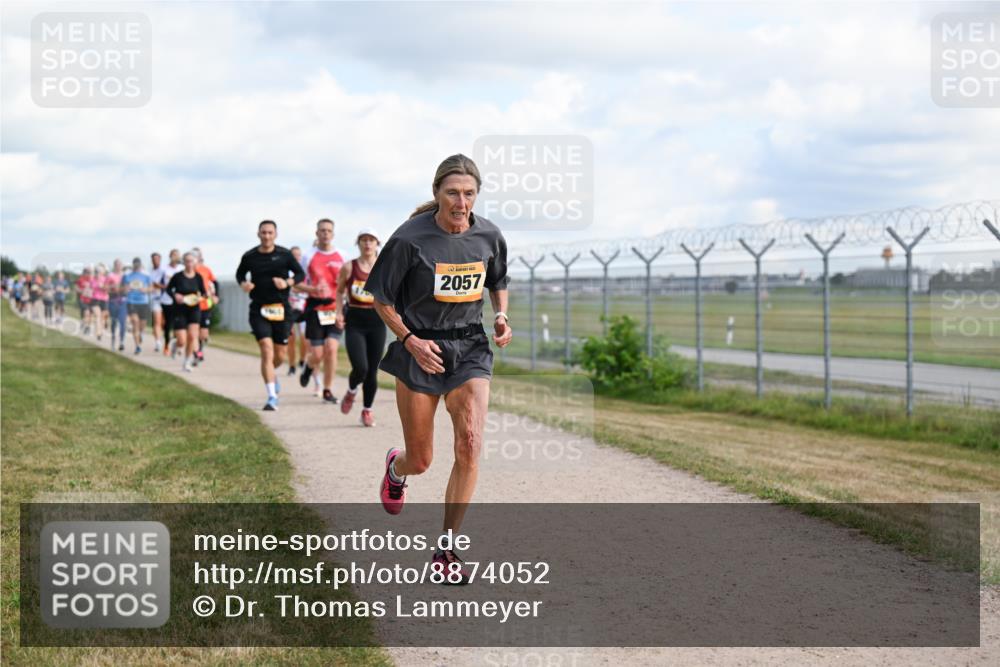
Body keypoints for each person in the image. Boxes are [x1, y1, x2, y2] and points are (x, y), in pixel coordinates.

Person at [364, 154, 512, 583]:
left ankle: (447, 548)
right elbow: (382, 300)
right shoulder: (410, 238)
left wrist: (500, 316)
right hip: (420, 347)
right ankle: (397, 468)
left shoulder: (489, 235)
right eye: (452, 193)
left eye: (468, 193)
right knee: (423, 458)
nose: (461, 201)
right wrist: (410, 340)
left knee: (470, 443)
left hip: (469, 346)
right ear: (436, 194)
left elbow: (497, 281)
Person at [235, 220, 305, 411]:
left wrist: (288, 282)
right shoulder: (250, 256)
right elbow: (240, 274)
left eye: (270, 233)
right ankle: (272, 396)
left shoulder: (284, 254)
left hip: (281, 309)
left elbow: (300, 274)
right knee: (266, 350)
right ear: (258, 234)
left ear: (275, 234)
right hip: (259, 309)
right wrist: (244, 284)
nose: (266, 236)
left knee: (279, 356)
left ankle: (271, 377)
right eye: (263, 232)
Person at [337, 227, 385, 426]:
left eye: (371, 240)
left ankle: (367, 410)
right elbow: (339, 292)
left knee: (372, 370)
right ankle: (351, 390)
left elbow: (392, 292)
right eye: (363, 240)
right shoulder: (349, 267)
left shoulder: (384, 267)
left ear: (377, 244)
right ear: (358, 243)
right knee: (360, 367)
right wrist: (339, 313)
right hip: (355, 320)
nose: (367, 244)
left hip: (377, 321)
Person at [297, 219, 345, 404]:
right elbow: (296, 284)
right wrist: (312, 290)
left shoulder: (342, 256)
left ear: (333, 234)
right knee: (317, 354)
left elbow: (348, 283)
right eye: (322, 230)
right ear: (316, 233)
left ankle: (327, 389)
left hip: (336, 309)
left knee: (331, 349)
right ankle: (309, 367)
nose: (325, 233)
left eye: (329, 230)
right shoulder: (308, 256)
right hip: (315, 309)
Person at [166, 252, 205, 372]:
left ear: (195, 262)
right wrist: (175, 296)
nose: (189, 263)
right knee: (182, 340)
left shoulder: (198, 277)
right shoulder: (177, 276)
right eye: (187, 261)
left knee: (192, 337)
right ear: (184, 262)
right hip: (180, 309)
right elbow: (168, 289)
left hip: (194, 308)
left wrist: (200, 298)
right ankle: (176, 345)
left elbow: (203, 293)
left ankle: (186, 362)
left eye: (191, 261)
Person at [192, 247, 218, 365]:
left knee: (203, 333)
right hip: (192, 305)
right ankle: (197, 354)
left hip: (206, 305)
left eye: (198, 257)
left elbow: (215, 283)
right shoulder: (188, 271)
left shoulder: (206, 270)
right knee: (194, 331)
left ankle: (199, 349)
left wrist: (215, 295)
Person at [286, 245, 307, 376]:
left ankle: (302, 360)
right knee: (291, 339)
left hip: (304, 307)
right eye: (294, 255)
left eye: (298, 255)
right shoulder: (286, 272)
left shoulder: (305, 271)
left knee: (304, 338)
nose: (296, 257)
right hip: (289, 308)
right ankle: (292, 365)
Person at [124, 257, 152, 354]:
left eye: (138, 264)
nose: (136, 265)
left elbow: (151, 288)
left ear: (140, 264)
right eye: (135, 264)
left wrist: (146, 290)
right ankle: (137, 346)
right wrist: (125, 289)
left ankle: (141, 334)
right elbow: (121, 288)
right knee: (135, 322)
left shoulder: (146, 276)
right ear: (133, 264)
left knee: (142, 324)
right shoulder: (127, 276)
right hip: (131, 301)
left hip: (143, 302)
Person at [161, 249, 182, 357]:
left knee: (177, 324)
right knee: (168, 324)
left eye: (177, 255)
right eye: (174, 255)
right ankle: (166, 344)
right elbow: (158, 283)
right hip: (166, 300)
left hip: (178, 301)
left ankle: (177, 344)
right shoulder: (164, 269)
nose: (176, 257)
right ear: (170, 256)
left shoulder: (181, 269)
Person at [107, 259, 128, 351]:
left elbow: (128, 288)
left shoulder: (125, 276)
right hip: (112, 301)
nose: (118, 266)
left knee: (122, 322)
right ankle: (113, 340)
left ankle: (121, 342)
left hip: (123, 301)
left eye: (120, 264)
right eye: (117, 264)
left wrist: (121, 288)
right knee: (114, 322)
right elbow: (105, 287)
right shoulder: (110, 275)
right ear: (114, 265)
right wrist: (113, 287)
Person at [148, 253, 167, 352]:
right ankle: (158, 342)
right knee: (157, 321)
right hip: (155, 299)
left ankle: (163, 336)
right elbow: (149, 286)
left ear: (160, 260)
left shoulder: (164, 271)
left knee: (164, 322)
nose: (155, 261)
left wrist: (158, 285)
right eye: (153, 259)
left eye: (157, 259)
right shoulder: (150, 272)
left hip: (166, 299)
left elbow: (167, 285)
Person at [90, 264, 110, 342]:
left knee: (102, 317)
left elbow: (108, 290)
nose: (97, 273)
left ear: (102, 272)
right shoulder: (92, 280)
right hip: (95, 300)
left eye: (98, 272)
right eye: (96, 272)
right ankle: (98, 333)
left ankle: (101, 329)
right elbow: (91, 289)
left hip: (104, 300)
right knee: (97, 315)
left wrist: (103, 287)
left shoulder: (105, 279)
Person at [76, 267, 94, 334]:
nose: (89, 274)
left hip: (91, 300)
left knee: (90, 315)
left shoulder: (93, 280)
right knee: (86, 312)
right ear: (84, 273)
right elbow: (76, 289)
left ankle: (88, 327)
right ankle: (83, 322)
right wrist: (82, 291)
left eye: (90, 272)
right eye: (87, 272)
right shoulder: (81, 280)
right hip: (83, 299)